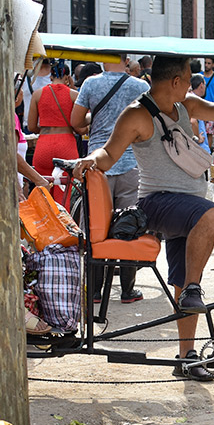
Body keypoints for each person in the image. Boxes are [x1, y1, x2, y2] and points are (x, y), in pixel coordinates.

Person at [72, 55, 214, 380]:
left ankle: (186, 358)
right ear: (176, 81)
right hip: (157, 204)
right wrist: (89, 159)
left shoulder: (185, 106)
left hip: (187, 210)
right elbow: (108, 154)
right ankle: (193, 289)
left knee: (181, 280)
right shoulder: (137, 115)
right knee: (213, 215)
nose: (194, 87)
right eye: (188, 80)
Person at [72, 55, 150, 303]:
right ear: (126, 61)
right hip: (130, 163)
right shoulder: (140, 87)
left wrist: (93, 119)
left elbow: (76, 121)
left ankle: (95, 291)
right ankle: (127, 291)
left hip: (97, 166)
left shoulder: (90, 85)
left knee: (96, 226)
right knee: (128, 225)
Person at [27, 61, 79, 203]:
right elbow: (79, 127)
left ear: (50, 76)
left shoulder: (38, 94)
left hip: (44, 144)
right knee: (65, 192)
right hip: (66, 144)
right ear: (68, 77)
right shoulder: (74, 95)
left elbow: (31, 126)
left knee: (43, 189)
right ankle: (64, 223)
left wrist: (45, 129)